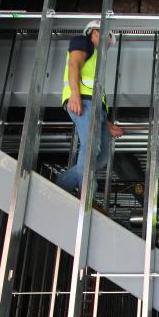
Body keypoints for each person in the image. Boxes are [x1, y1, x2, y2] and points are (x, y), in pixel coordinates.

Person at [57, 19, 124, 196]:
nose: (109, 45)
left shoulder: (96, 61)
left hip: (96, 109)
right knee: (91, 146)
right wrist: (75, 94)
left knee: (101, 157)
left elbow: (97, 94)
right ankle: (87, 189)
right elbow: (74, 65)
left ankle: (62, 184)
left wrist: (107, 124)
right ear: (95, 32)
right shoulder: (83, 42)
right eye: (108, 40)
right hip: (83, 102)